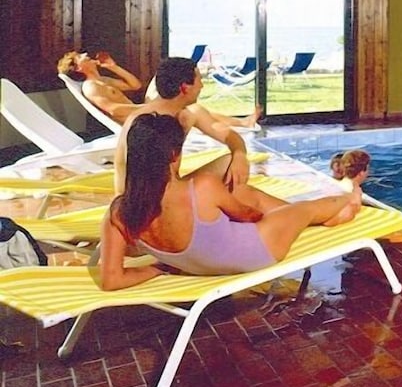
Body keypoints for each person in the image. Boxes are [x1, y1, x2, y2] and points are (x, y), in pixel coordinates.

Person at [99, 114, 358, 290]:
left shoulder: (119, 212)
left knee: (242, 195)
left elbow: (112, 280)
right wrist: (275, 219)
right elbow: (248, 216)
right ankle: (351, 196)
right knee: (305, 209)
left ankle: (322, 217)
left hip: (200, 265)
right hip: (256, 252)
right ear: (174, 155)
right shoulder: (202, 187)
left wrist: (158, 269)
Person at [112, 57, 252, 194]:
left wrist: (240, 155)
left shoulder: (191, 113)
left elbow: (229, 135)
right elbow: (136, 178)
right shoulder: (145, 120)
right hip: (143, 196)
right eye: (199, 80)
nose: (202, 86)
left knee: (232, 163)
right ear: (185, 88)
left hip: (172, 188)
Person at [57, 50, 259, 128]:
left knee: (162, 79)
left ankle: (242, 122)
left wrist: (113, 67)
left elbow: (135, 85)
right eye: (80, 57)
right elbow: (113, 110)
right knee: (189, 110)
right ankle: (242, 122)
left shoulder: (103, 80)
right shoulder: (91, 87)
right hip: (137, 120)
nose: (86, 54)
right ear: (78, 68)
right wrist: (152, 108)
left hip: (141, 111)